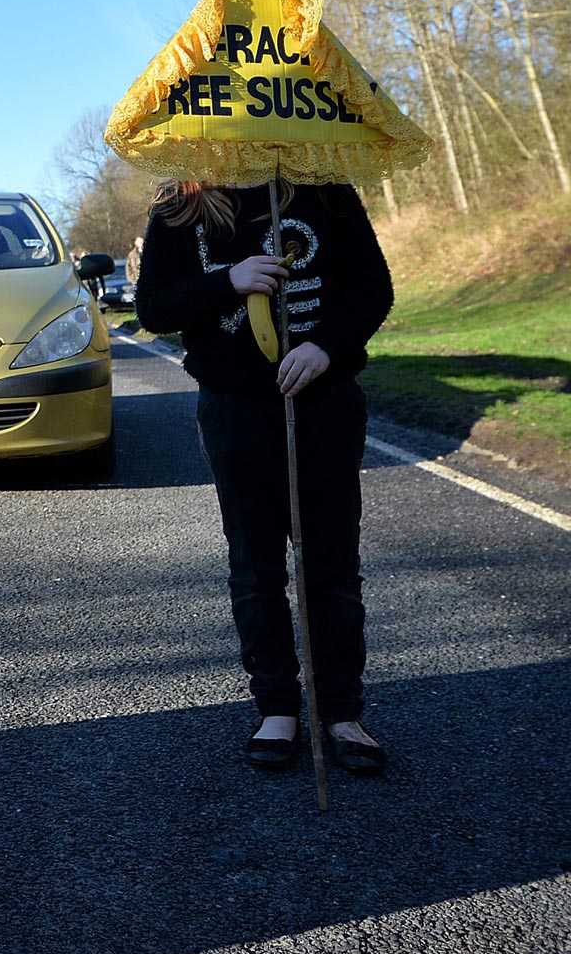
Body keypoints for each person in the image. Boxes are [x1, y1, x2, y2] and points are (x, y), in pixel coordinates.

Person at [132, 179, 393, 777]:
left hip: (325, 403)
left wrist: (326, 346)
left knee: (330, 563)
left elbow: (373, 289)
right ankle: (277, 708)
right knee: (256, 566)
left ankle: (341, 712)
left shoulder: (327, 193)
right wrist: (229, 280)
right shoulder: (179, 205)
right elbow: (153, 307)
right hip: (235, 409)